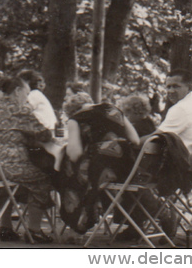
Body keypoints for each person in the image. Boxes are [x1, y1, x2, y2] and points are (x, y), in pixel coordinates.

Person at [0, 76, 55, 243]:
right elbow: (45, 134)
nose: (27, 98)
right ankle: (34, 230)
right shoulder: (19, 110)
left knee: (9, 182)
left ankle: (6, 227)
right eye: (26, 94)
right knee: (43, 178)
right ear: (17, 91)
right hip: (2, 164)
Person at [58, 91, 140, 233]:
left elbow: (75, 154)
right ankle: (95, 209)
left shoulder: (76, 119)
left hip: (101, 170)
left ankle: (81, 221)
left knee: (69, 174)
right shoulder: (113, 109)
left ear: (72, 111)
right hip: (127, 169)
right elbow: (135, 140)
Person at [155, 69, 192, 154]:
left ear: (189, 87)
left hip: (185, 164)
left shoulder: (182, 108)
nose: (171, 91)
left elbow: (154, 139)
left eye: (176, 86)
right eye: (168, 87)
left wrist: (134, 141)